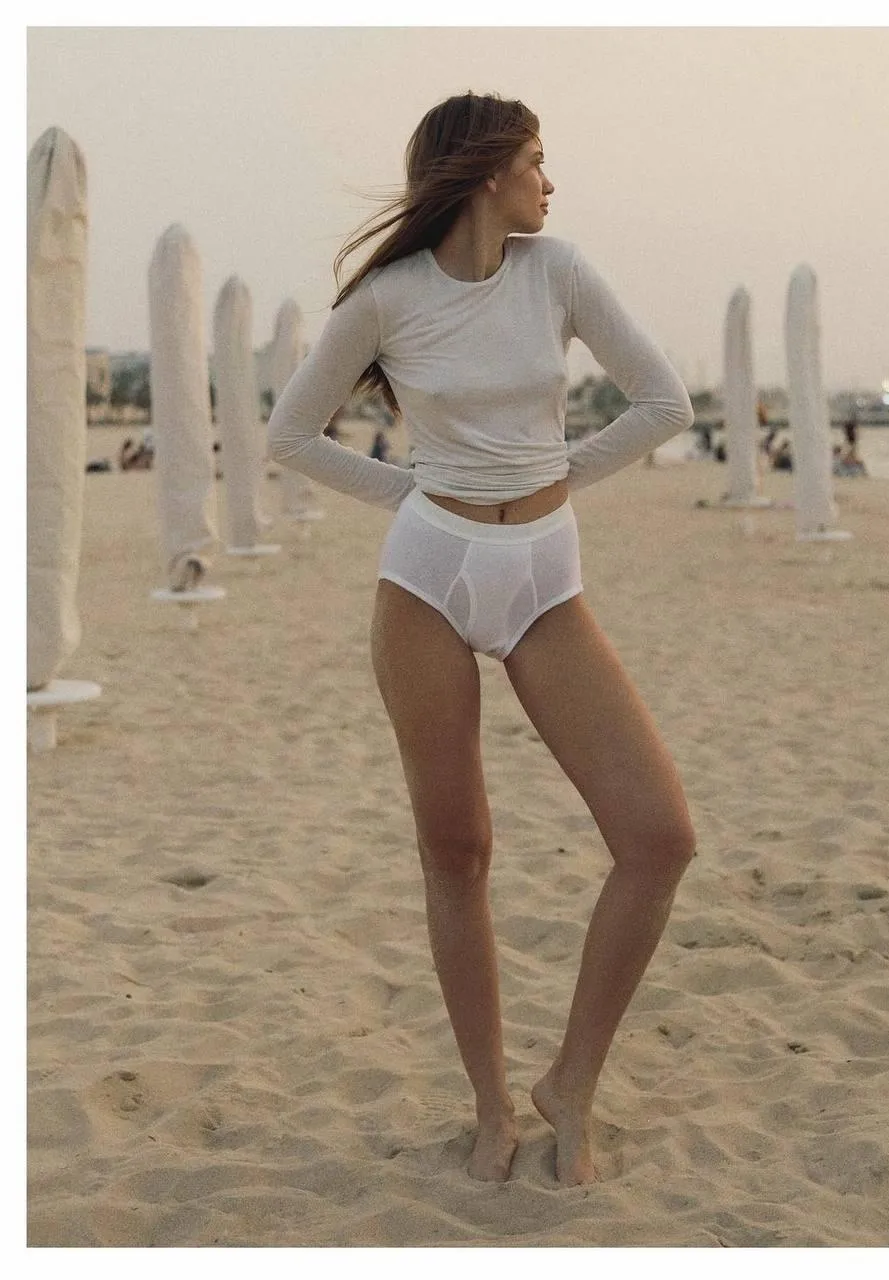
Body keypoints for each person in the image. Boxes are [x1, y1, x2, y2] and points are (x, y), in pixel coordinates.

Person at [268, 91, 697, 1188]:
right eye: (538, 160)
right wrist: (413, 489)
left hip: (545, 576)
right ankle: (491, 1106)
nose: (550, 182)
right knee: (456, 850)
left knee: (657, 835)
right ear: (487, 168)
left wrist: (555, 478)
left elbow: (663, 402)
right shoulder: (389, 298)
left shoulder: (557, 272)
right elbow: (289, 434)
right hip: (426, 577)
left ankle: (572, 1082)